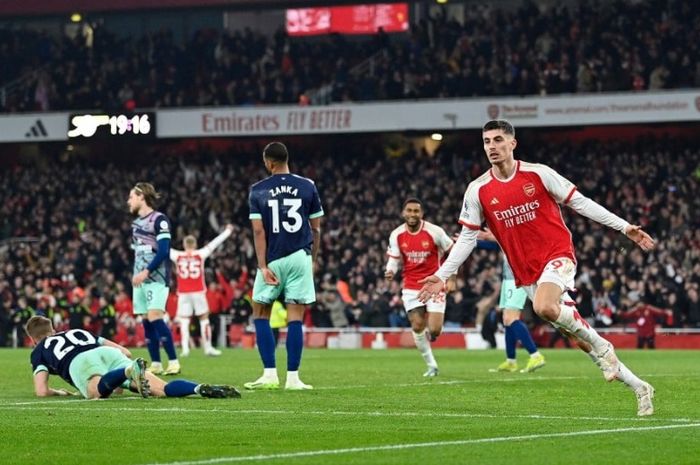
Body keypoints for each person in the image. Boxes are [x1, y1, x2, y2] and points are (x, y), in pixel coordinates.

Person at [418, 120, 656, 416]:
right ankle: (639, 386)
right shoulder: (477, 190)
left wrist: (624, 228)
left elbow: (580, 203)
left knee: (545, 307)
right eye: (486, 142)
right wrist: (442, 275)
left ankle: (603, 344)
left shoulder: (538, 173)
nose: (491, 147)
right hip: (526, 271)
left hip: (557, 254)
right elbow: (467, 238)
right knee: (579, 339)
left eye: (497, 140)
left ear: (512, 143)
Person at [244, 141, 323, 390]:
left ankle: (269, 374)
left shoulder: (258, 190)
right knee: (295, 316)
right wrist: (313, 258)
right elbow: (316, 228)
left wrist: (262, 266)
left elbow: (258, 231)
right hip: (301, 255)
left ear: (269, 162)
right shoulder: (307, 186)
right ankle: (293, 378)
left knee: (260, 311)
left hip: (274, 257)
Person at [25, 315, 240, 399]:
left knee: (95, 392)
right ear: (52, 329)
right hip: (107, 353)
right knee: (161, 389)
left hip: (79, 362)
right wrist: (122, 374)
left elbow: (41, 391)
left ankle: (127, 373)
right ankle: (198, 388)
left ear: (34, 340)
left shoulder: (38, 351)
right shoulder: (78, 331)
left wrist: (60, 392)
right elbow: (125, 352)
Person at [385, 198, 455, 377]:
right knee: (417, 325)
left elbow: (453, 251)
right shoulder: (397, 234)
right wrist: (390, 271)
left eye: (416, 211)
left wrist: (451, 278)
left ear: (421, 214)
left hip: (434, 284)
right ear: (403, 213)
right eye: (409, 211)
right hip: (410, 286)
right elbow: (394, 258)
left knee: (434, 330)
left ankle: (431, 331)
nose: (412, 214)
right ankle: (432, 365)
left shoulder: (435, 231)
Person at [127, 182, 180, 375]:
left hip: (156, 278)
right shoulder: (136, 225)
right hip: (139, 279)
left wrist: (146, 272)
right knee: (145, 320)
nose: (128, 201)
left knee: (155, 316)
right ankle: (156, 363)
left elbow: (164, 251)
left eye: (131, 196)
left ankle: (173, 361)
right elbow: (140, 253)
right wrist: (136, 273)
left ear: (141, 196)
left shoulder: (159, 220)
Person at [478, 228, 545, 373]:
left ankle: (535, 355)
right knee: (506, 319)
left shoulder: (521, 225)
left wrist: (495, 236)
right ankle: (511, 361)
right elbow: (498, 245)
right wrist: (472, 242)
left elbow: (517, 239)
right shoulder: (509, 229)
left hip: (519, 277)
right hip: (509, 278)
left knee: (511, 318)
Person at [170, 225, 233, 357]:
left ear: (184, 244)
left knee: (184, 321)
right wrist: (227, 231)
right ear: (195, 244)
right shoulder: (200, 254)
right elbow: (215, 243)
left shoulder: (177, 255)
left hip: (183, 293)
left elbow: (161, 247)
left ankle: (185, 349)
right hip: (198, 291)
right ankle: (208, 348)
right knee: (204, 319)